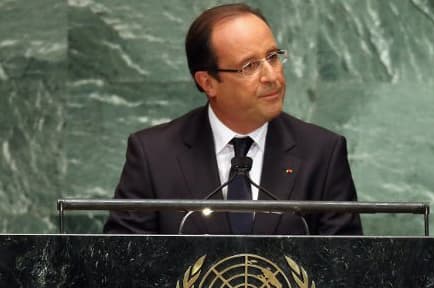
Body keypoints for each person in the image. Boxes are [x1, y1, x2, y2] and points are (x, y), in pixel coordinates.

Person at [103, 3, 362, 235]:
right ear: (208, 83)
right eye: (249, 66)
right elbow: (121, 262)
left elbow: (344, 267)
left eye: (273, 57)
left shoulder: (322, 154)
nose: (271, 76)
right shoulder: (153, 155)